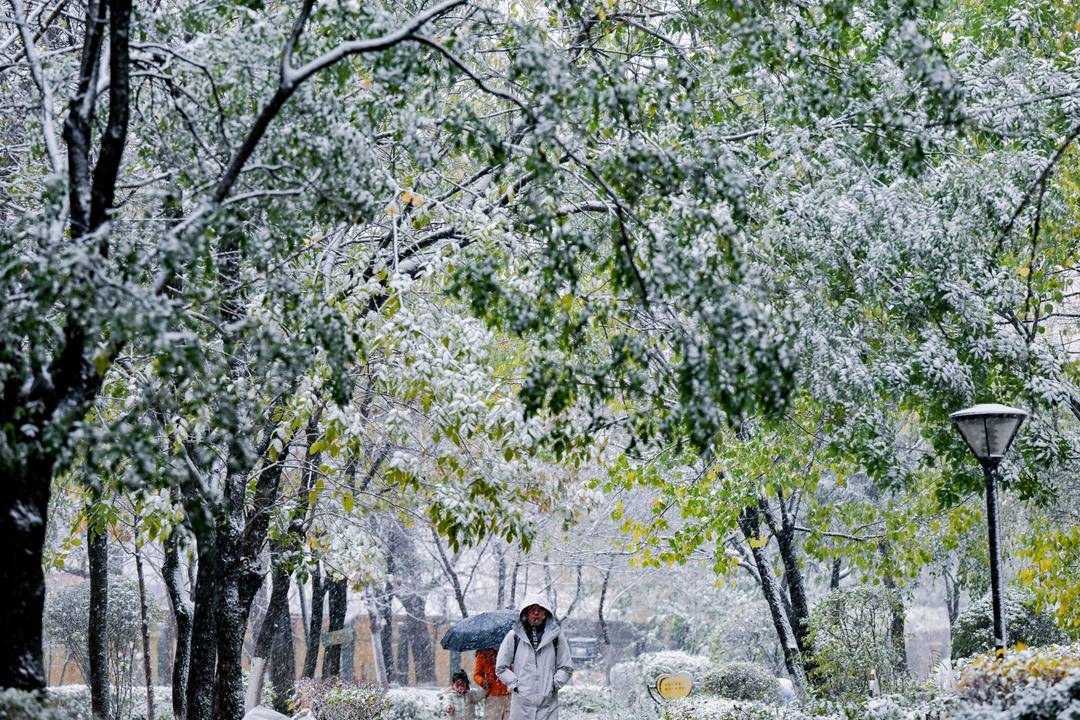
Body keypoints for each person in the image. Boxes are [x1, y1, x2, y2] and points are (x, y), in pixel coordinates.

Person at [495, 597, 573, 720]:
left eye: (540, 609)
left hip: (548, 705)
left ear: (545, 613)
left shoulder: (556, 637)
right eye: (532, 609)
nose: (536, 613)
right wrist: (515, 684)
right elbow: (501, 667)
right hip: (521, 706)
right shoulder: (514, 636)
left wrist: (553, 685)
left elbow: (566, 667)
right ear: (526, 612)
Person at [474, 647, 511, 720]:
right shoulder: (482, 655)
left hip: (507, 694)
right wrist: (482, 682)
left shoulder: (505, 652)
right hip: (493, 695)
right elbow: (476, 675)